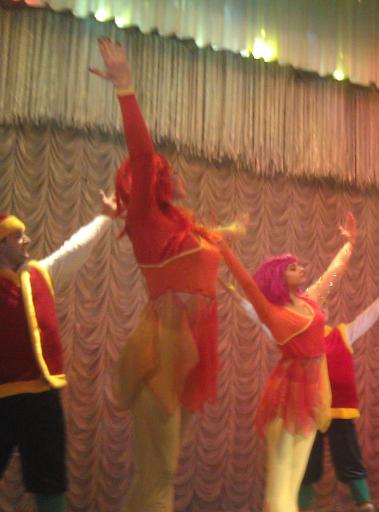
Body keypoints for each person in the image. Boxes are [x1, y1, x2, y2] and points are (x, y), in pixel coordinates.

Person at [90, 39, 242, 512]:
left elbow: (208, 248)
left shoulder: (183, 228)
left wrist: (231, 232)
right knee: (160, 475)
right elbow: (141, 153)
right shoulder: (145, 222)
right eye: (152, 173)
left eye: (162, 172)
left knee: (160, 473)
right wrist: (125, 89)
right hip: (162, 349)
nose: (160, 175)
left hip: (191, 350)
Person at [219, 212, 356, 512]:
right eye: (293, 268)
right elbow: (247, 283)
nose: (301, 269)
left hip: (312, 392)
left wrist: (349, 245)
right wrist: (224, 249)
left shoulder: (309, 301)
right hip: (287, 392)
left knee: (293, 482)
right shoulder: (273, 311)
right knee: (280, 483)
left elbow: (332, 275)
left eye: (299, 265)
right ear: (279, 277)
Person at [0, 194, 116, 512]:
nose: (27, 240)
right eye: (18, 236)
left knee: (50, 479)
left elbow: (74, 250)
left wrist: (104, 218)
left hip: (41, 397)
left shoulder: (39, 275)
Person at [298, 258, 379, 512]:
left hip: (339, 410)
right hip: (311, 408)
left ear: (327, 313)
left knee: (349, 456)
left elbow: (374, 311)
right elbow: (264, 321)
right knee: (307, 461)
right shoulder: (297, 340)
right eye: (314, 307)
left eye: (323, 306)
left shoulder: (343, 333)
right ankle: (300, 507)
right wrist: (239, 299)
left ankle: (364, 503)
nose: (320, 310)